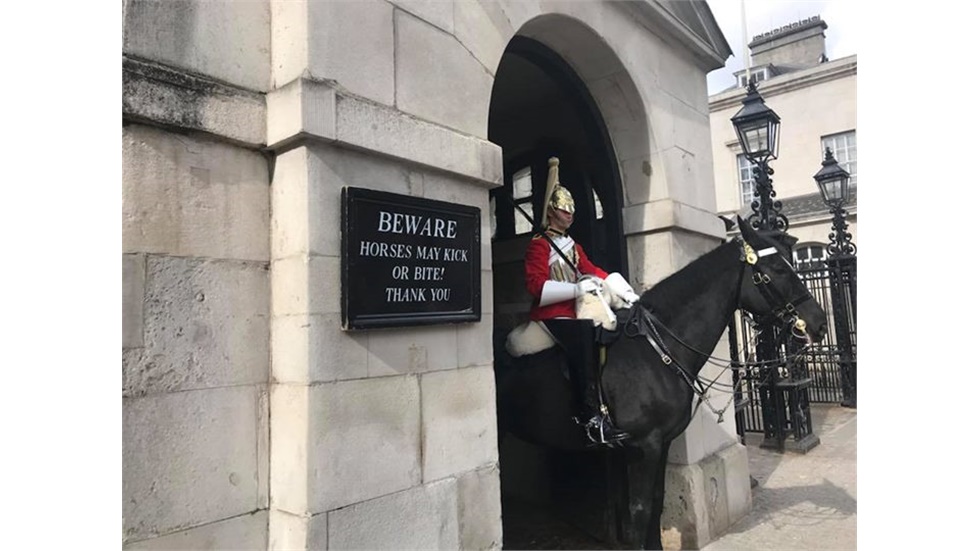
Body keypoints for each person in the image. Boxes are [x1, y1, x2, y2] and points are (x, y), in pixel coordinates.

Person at [524, 157, 640, 447]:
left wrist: (624, 290)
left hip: (574, 311)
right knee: (584, 336)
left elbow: (592, 270)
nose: (571, 214)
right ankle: (591, 418)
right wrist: (577, 290)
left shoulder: (572, 245)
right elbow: (536, 287)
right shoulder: (539, 245)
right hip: (551, 315)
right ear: (552, 211)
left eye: (572, 209)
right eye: (565, 208)